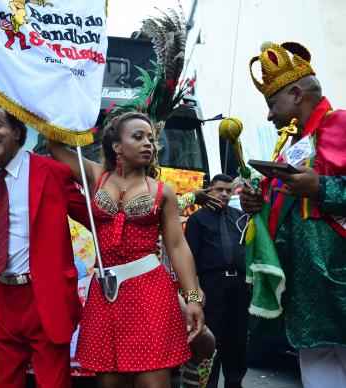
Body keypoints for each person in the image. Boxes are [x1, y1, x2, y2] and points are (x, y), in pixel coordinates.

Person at [48, 111, 204, 388]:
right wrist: (74, 109)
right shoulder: (96, 176)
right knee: (110, 383)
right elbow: (56, 148)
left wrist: (193, 298)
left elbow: (178, 247)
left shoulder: (162, 191)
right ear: (117, 147)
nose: (149, 144)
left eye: (151, 139)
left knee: (153, 381)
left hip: (150, 292)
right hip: (106, 295)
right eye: (138, 137)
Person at [241, 41, 346, 388]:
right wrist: (258, 204)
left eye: (273, 103)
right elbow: (283, 218)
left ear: (297, 94)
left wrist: (322, 189)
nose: (270, 115)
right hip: (307, 295)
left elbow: (321, 195)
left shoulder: (342, 125)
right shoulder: (291, 147)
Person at [0, 104, 89, 388]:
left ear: (17, 131)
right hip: (2, 300)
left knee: (53, 383)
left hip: (44, 297)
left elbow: (93, 216)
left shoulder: (51, 171)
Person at [185, 174, 248, 388]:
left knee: (238, 343)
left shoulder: (240, 217)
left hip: (239, 288)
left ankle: (235, 383)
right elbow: (189, 265)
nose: (223, 194)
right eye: (219, 189)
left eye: (228, 191)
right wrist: (194, 297)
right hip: (210, 288)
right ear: (208, 190)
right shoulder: (196, 220)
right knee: (210, 345)